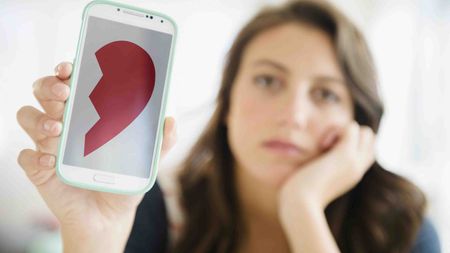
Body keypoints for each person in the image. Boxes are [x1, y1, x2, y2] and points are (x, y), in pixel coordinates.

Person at [16, 0, 441, 252]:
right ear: (229, 100)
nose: (292, 114)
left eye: (326, 93)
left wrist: (302, 209)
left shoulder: (403, 228)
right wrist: (93, 237)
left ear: (358, 119)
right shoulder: (156, 209)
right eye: (267, 80)